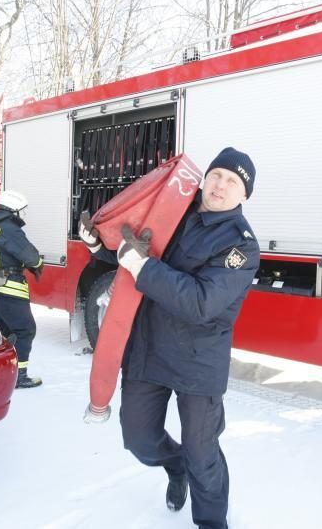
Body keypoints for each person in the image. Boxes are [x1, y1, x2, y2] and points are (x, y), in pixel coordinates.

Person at [80, 147, 260, 529]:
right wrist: (102, 247)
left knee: (203, 453)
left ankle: (212, 522)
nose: (220, 185)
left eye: (233, 182)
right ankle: (174, 467)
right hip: (150, 349)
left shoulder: (241, 245)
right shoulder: (176, 210)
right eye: (217, 175)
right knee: (139, 440)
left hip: (199, 361)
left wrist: (140, 264)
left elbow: (201, 301)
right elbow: (140, 254)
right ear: (205, 177)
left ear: (244, 196)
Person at [0, 190, 44, 389]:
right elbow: (32, 257)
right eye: (21, 211)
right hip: (10, 288)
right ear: (13, 211)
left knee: (6, 332)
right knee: (25, 331)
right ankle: (19, 376)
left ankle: (4, 370)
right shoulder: (11, 230)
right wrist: (38, 263)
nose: (22, 215)